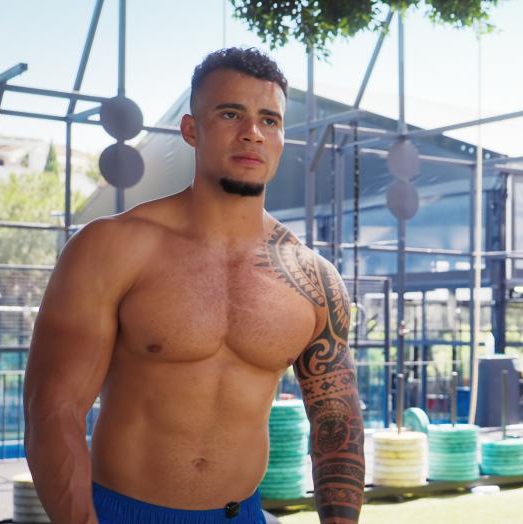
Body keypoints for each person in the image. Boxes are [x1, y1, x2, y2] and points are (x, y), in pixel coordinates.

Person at [24, 48, 364, 524]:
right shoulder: (111, 247)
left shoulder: (314, 280)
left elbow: (337, 425)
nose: (252, 132)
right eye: (231, 114)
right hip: (120, 513)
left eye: (270, 120)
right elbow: (53, 408)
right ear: (191, 130)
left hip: (239, 514)